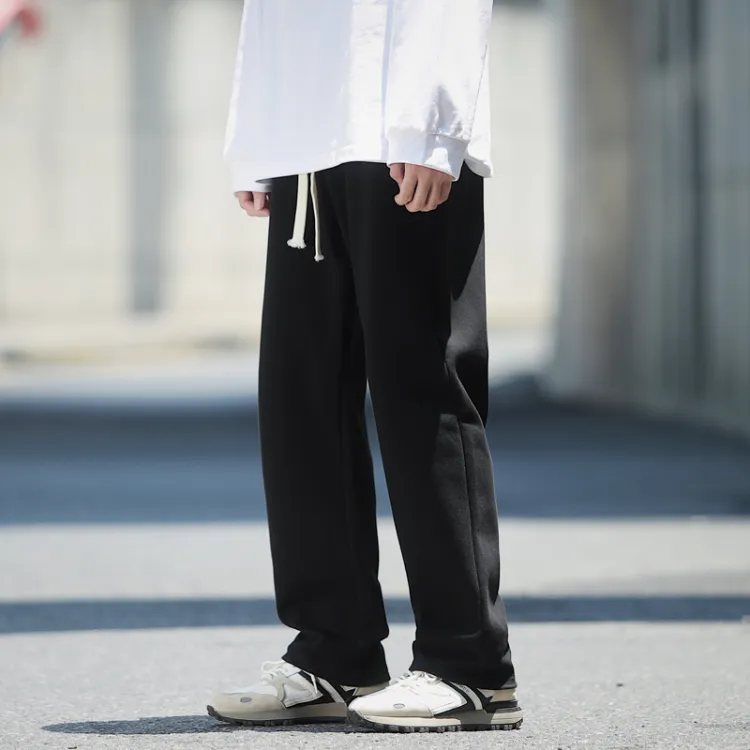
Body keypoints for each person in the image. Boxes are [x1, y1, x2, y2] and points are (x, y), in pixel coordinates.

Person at [207, 0, 522, 734]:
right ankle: (335, 651)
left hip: (400, 132)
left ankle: (471, 665)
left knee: (422, 389)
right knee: (302, 396)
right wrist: (258, 142)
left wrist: (431, 127)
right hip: (306, 139)